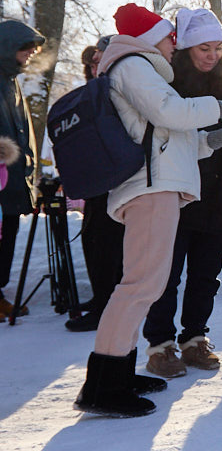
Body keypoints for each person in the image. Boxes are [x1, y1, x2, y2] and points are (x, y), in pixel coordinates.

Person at [74, 4, 222, 418]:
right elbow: (170, 113)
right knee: (139, 286)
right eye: (169, 37)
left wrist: (214, 141)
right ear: (150, 38)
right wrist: (219, 108)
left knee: (145, 285)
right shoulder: (134, 65)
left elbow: (166, 136)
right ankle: (104, 386)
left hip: (157, 185)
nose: (174, 44)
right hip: (150, 189)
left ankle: (117, 374)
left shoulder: (139, 69)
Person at [142, 9, 222, 377]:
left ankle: (194, 339)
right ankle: (160, 345)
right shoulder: (167, 81)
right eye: (203, 48)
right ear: (186, 47)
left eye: (217, 47)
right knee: (166, 275)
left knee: (206, 275)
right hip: (178, 193)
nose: (212, 55)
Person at [68, 37, 128, 332]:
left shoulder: (121, 87)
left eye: (100, 61)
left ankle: (108, 306)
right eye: (92, 63)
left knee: (108, 243)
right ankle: (100, 298)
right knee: (92, 238)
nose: (95, 68)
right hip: (95, 178)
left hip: (116, 179)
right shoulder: (91, 92)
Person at [0, 20, 44, 319]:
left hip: (12, 176)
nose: (30, 54)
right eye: (26, 48)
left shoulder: (11, 81)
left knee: (8, 235)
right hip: (2, 177)